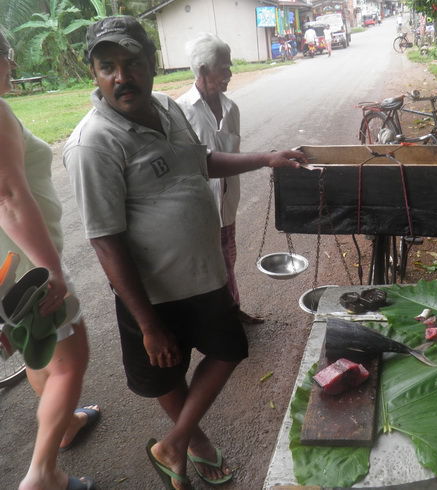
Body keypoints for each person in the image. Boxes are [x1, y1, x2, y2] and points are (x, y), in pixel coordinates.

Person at [63, 16, 304, 490]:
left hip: (205, 275)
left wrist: (266, 158)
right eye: (106, 66)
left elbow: (203, 162)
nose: (120, 77)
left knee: (230, 349)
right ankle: (195, 446)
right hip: (154, 295)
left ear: (152, 64)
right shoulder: (94, 143)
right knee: (166, 376)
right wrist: (148, 324)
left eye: (131, 63)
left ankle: (172, 443)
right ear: (93, 73)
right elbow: (105, 240)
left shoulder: (169, 109)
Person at [0, 30, 99, 490]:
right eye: (8, 57)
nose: (12, 68)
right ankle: (42, 478)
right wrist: (52, 272)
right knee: (69, 360)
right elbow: (10, 200)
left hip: (9, 273)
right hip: (24, 272)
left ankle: (68, 427)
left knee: (39, 348)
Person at [176, 33, 263, 326]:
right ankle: (214, 322)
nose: (229, 74)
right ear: (203, 70)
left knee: (228, 261)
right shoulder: (180, 112)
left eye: (229, 67)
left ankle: (231, 310)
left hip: (227, 206)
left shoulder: (231, 109)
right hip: (197, 211)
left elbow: (231, 158)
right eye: (223, 68)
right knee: (205, 269)